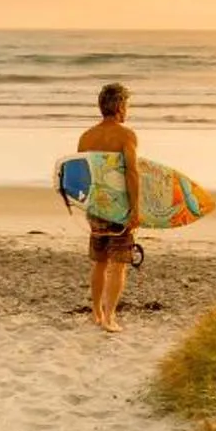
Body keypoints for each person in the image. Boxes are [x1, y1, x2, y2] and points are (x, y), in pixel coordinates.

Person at [80, 82, 141, 331]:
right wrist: (135, 208)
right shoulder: (126, 136)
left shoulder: (86, 137)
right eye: (126, 104)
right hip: (119, 210)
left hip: (95, 207)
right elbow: (132, 173)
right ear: (119, 106)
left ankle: (96, 313)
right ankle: (109, 317)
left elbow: (83, 176)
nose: (127, 110)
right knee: (118, 264)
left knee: (100, 261)